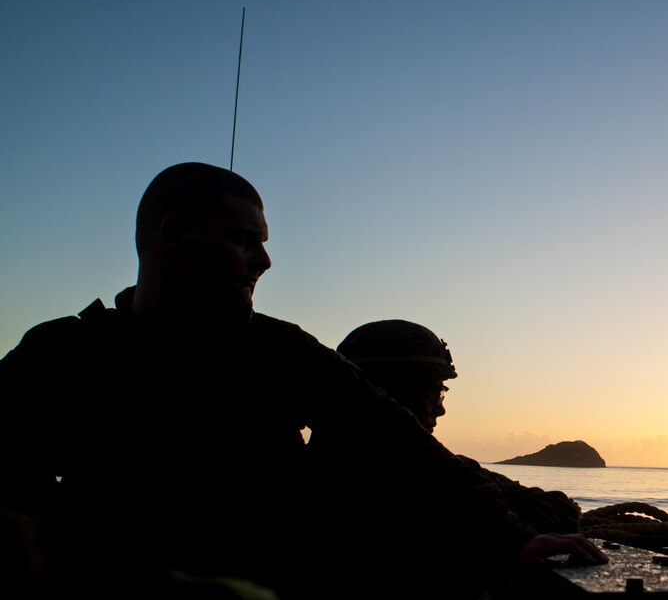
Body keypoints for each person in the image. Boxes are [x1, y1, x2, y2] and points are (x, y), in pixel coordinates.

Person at [0, 162, 604, 599]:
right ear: (173, 235)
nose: (263, 262)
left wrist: (505, 539)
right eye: (244, 241)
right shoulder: (64, 354)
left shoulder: (280, 350)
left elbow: (401, 445)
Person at [336, 319, 582, 535]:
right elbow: (559, 512)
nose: (440, 409)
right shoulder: (439, 476)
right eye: (435, 392)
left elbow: (559, 508)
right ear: (390, 393)